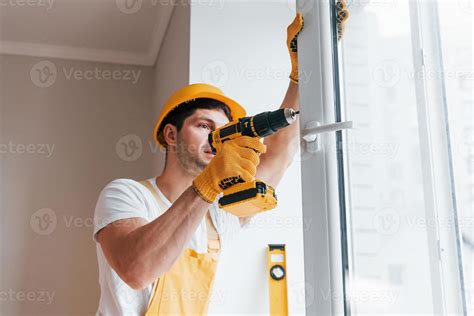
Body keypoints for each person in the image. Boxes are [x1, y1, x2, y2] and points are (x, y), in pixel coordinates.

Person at [92, 13, 304, 316]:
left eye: (223, 129)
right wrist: (205, 187)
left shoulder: (220, 214)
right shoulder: (128, 195)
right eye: (204, 126)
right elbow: (136, 270)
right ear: (171, 135)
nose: (216, 137)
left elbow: (280, 153)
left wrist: (301, 76)